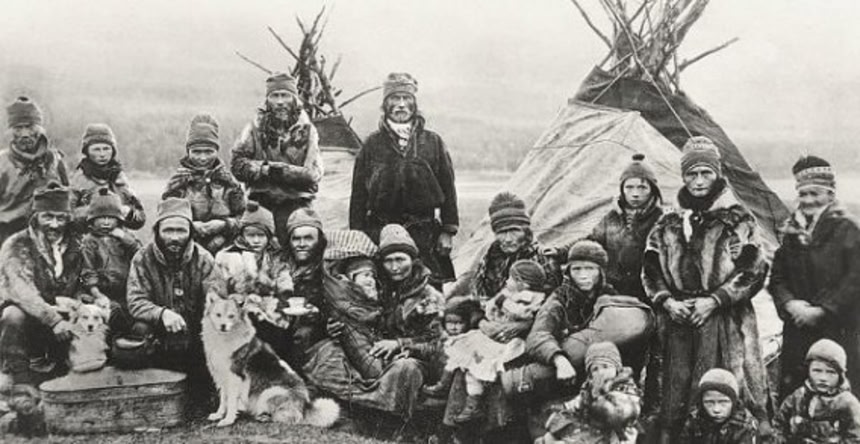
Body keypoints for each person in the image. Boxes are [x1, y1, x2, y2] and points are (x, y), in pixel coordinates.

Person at [642, 136, 771, 442]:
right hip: (678, 317)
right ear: (684, 177)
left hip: (725, 318)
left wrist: (714, 300)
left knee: (724, 389)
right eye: (692, 174)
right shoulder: (668, 222)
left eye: (705, 173)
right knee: (673, 391)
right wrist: (667, 302)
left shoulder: (737, 219)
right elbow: (650, 269)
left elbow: (754, 270)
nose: (699, 181)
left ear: (717, 175)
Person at [349, 72, 458, 288]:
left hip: (424, 232)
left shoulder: (433, 142)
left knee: (428, 291)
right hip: (380, 231)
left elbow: (448, 188)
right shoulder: (372, 144)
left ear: (414, 104)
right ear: (385, 104)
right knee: (385, 289)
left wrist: (448, 231)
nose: (400, 104)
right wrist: (358, 236)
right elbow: (358, 195)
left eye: (406, 98)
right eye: (394, 98)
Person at [769, 155, 860, 400]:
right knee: (796, 398)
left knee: (839, 396)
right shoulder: (791, 233)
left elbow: (854, 281)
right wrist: (791, 304)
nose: (808, 200)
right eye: (803, 194)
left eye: (815, 193)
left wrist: (822, 310)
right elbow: (777, 277)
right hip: (798, 331)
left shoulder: (849, 230)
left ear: (830, 194)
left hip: (837, 330)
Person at [125, 197, 226, 410]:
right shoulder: (142, 259)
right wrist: (162, 314)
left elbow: (218, 301)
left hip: (195, 331)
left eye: (181, 230)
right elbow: (135, 301)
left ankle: (207, 388)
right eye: (168, 230)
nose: (174, 237)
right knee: (140, 329)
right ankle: (148, 389)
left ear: (190, 231)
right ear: (157, 231)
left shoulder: (204, 259)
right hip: (160, 330)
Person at [439, 259, 547, 424]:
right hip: (492, 333)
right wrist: (484, 317)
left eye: (510, 279)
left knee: (479, 364)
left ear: (523, 284)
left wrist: (503, 303)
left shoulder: (530, 297)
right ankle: (449, 388)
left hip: (511, 343)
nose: (506, 281)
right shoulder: (488, 261)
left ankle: (475, 406)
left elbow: (526, 313)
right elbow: (484, 305)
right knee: (465, 351)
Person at [527, 240, 652, 380]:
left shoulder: (610, 295)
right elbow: (537, 335)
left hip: (603, 368)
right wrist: (559, 360)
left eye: (589, 269)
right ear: (569, 272)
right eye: (576, 269)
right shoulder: (559, 299)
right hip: (566, 368)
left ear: (601, 272)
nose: (583, 275)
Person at [0, 182, 80, 384]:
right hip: (33, 317)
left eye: (61, 218)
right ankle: (17, 377)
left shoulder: (76, 244)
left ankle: (70, 368)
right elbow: (22, 293)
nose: (54, 224)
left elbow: (84, 281)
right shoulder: (17, 244)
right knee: (12, 315)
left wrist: (79, 303)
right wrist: (54, 320)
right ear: (36, 216)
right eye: (48, 217)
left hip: (65, 316)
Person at [231, 72, 324, 246]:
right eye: (275, 96)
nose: (280, 102)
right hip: (260, 203)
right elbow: (237, 165)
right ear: (267, 100)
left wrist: (280, 171)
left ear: (294, 99)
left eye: (285, 95)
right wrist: (264, 169)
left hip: (297, 204)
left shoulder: (308, 131)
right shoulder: (254, 128)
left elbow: (313, 174)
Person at [163, 114, 245, 253]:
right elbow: (166, 219)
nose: (202, 158)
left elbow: (244, 218)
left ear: (217, 151)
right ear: (188, 151)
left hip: (225, 248)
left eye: (208, 152)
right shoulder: (178, 181)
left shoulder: (229, 182)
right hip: (185, 248)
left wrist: (224, 225)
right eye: (196, 152)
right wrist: (191, 226)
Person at [535, 342, 642, 444]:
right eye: (595, 369)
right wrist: (566, 408)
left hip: (614, 431)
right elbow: (579, 402)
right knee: (554, 432)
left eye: (605, 366)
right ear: (590, 375)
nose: (601, 372)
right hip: (591, 426)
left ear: (617, 368)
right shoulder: (590, 387)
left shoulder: (625, 389)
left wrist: (599, 395)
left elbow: (617, 414)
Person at [0, 97, 69, 246]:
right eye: (18, 128)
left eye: (30, 127)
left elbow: (68, 197)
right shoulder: (2, 163)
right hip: (8, 234)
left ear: (40, 129)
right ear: (10, 132)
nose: (25, 134)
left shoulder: (55, 160)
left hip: (49, 233)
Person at [472, 192, 561, 301]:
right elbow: (480, 294)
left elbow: (548, 302)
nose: (508, 239)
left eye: (514, 231)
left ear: (526, 231)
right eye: (501, 232)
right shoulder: (490, 256)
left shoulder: (544, 258)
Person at [79, 188, 142, 336]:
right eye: (101, 218)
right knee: (112, 314)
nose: (106, 222)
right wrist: (98, 294)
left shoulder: (125, 237)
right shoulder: (90, 241)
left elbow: (140, 255)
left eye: (111, 218)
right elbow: (88, 272)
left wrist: (125, 238)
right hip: (101, 292)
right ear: (92, 219)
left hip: (126, 291)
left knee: (134, 317)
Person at [774, 339, 860, 443]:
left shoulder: (848, 403)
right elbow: (779, 424)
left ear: (840, 375)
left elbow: (855, 438)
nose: (823, 378)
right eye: (817, 371)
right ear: (808, 371)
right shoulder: (798, 397)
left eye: (831, 372)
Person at [69, 123, 145, 233]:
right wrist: (95, 212)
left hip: (118, 237)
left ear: (113, 151)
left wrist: (128, 213)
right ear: (87, 152)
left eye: (106, 149)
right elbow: (67, 216)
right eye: (96, 149)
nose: (102, 154)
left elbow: (140, 218)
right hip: (87, 238)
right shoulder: (79, 179)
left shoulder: (119, 177)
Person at [680, 368, 758, 444]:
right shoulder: (695, 420)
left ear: (734, 402)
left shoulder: (744, 425)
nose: (716, 410)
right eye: (709, 402)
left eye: (723, 402)